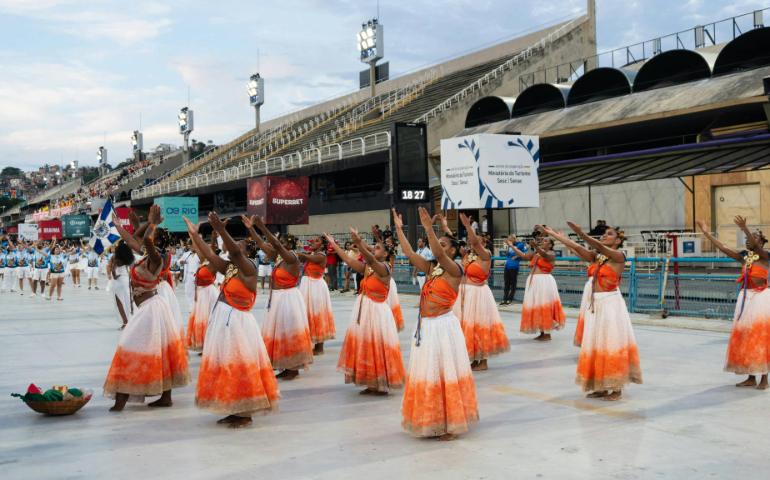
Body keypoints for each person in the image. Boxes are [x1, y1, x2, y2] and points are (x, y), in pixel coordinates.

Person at [184, 213, 279, 428]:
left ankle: (244, 412)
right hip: (223, 321)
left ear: (247, 252)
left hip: (238, 324)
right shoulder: (230, 268)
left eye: (241, 244)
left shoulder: (249, 269)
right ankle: (233, 407)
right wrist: (195, 235)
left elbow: (234, 251)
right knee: (225, 364)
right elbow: (208, 253)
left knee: (239, 365)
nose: (236, 245)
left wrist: (220, 230)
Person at [394, 207, 478, 440]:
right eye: (437, 242)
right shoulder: (433, 269)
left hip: (443, 327)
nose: (440, 246)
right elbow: (410, 253)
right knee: (429, 375)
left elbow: (439, 255)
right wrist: (401, 230)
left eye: (444, 243)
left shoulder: (455, 269)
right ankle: (433, 418)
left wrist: (430, 228)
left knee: (444, 374)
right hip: (427, 327)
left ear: (452, 250)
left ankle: (451, 422)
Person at [105, 205, 190, 412]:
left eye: (152, 238)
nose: (140, 243)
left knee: (130, 346)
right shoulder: (144, 255)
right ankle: (164, 397)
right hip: (148, 308)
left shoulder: (156, 260)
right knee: (158, 350)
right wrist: (118, 226)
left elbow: (147, 241)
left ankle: (122, 398)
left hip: (151, 310)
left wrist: (152, 223)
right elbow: (132, 240)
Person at [544, 223, 642, 401]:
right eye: (604, 234)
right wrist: (555, 235)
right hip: (595, 306)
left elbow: (596, 245)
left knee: (610, 344)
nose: (604, 236)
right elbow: (576, 247)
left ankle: (616, 387)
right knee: (597, 345)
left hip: (610, 306)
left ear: (618, 240)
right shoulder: (598, 258)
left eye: (609, 234)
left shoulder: (619, 256)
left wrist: (581, 233)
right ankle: (601, 385)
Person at [327, 229, 404, 395]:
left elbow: (369, 258)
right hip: (364, 309)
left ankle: (381, 383)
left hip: (377, 312)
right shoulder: (369, 267)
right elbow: (348, 259)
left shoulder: (384, 267)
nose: (373, 250)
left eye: (377, 248)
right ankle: (371, 382)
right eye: (374, 247)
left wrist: (359, 242)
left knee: (376, 345)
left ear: (385, 253)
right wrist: (334, 244)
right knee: (366, 345)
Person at [698, 216, 770, 390]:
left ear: (761, 241)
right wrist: (707, 233)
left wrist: (745, 228)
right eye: (746, 238)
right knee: (746, 337)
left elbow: (758, 248)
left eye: (752, 237)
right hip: (746, 298)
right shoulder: (745, 257)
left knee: (761, 338)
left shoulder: (765, 255)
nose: (748, 240)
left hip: (761, 299)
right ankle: (751, 376)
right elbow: (723, 247)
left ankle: (765, 379)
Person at [246, 216, 313, 380]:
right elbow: (262, 244)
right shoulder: (279, 258)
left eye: (283, 243)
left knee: (288, 332)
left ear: (289, 245)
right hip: (277, 300)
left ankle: (293, 367)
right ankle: (286, 365)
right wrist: (251, 229)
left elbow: (274, 244)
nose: (279, 244)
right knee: (280, 333)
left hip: (288, 300)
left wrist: (262, 226)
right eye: (280, 242)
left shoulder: (292, 257)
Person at [451, 213, 510, 371]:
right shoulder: (469, 256)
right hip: (465, 294)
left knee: (480, 326)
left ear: (484, 242)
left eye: (476, 239)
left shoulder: (486, 255)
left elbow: (476, 244)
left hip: (478, 295)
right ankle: (474, 358)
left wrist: (468, 227)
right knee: (468, 327)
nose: (472, 241)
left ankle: (483, 361)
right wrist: (444, 226)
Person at [535, 226, 598, 347]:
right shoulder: (591, 259)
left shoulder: (551, 253)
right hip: (591, 290)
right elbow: (576, 250)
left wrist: (576, 234)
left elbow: (577, 249)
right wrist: (564, 240)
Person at [511, 234, 566, 341]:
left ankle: (547, 333)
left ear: (550, 245)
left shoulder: (551, 253)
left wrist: (536, 247)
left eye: (546, 241)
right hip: (534, 282)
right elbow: (524, 256)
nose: (543, 241)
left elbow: (545, 256)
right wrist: (512, 246)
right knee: (537, 306)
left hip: (544, 282)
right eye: (542, 240)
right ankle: (542, 331)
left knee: (544, 305)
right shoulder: (536, 253)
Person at [295, 233, 335, 355]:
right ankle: (311, 342)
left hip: (315, 286)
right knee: (307, 313)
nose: (312, 242)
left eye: (316, 241)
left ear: (322, 245)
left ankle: (319, 347)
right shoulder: (312, 254)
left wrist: (296, 252)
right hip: (307, 285)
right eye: (313, 241)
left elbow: (304, 257)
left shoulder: (321, 256)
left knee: (317, 313)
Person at [185, 241, 218, 352]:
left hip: (209, 293)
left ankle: (211, 344)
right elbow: (198, 247)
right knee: (201, 319)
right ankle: (204, 344)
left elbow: (209, 250)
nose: (202, 251)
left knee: (209, 318)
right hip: (201, 293)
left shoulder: (213, 263)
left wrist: (213, 239)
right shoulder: (203, 263)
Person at [108, 240, 135, 330]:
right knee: (129, 300)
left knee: (119, 301)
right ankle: (133, 320)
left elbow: (112, 268)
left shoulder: (115, 257)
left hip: (118, 280)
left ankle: (125, 322)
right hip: (126, 278)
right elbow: (131, 269)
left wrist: (114, 276)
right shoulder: (130, 257)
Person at [502, 235, 526, 305]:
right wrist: (507, 247)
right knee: (506, 283)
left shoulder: (520, 244)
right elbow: (507, 254)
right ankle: (504, 299)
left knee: (513, 283)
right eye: (508, 240)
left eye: (510, 240)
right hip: (507, 265)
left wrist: (516, 256)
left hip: (514, 266)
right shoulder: (510, 245)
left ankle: (510, 299)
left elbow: (524, 253)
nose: (509, 241)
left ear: (514, 239)